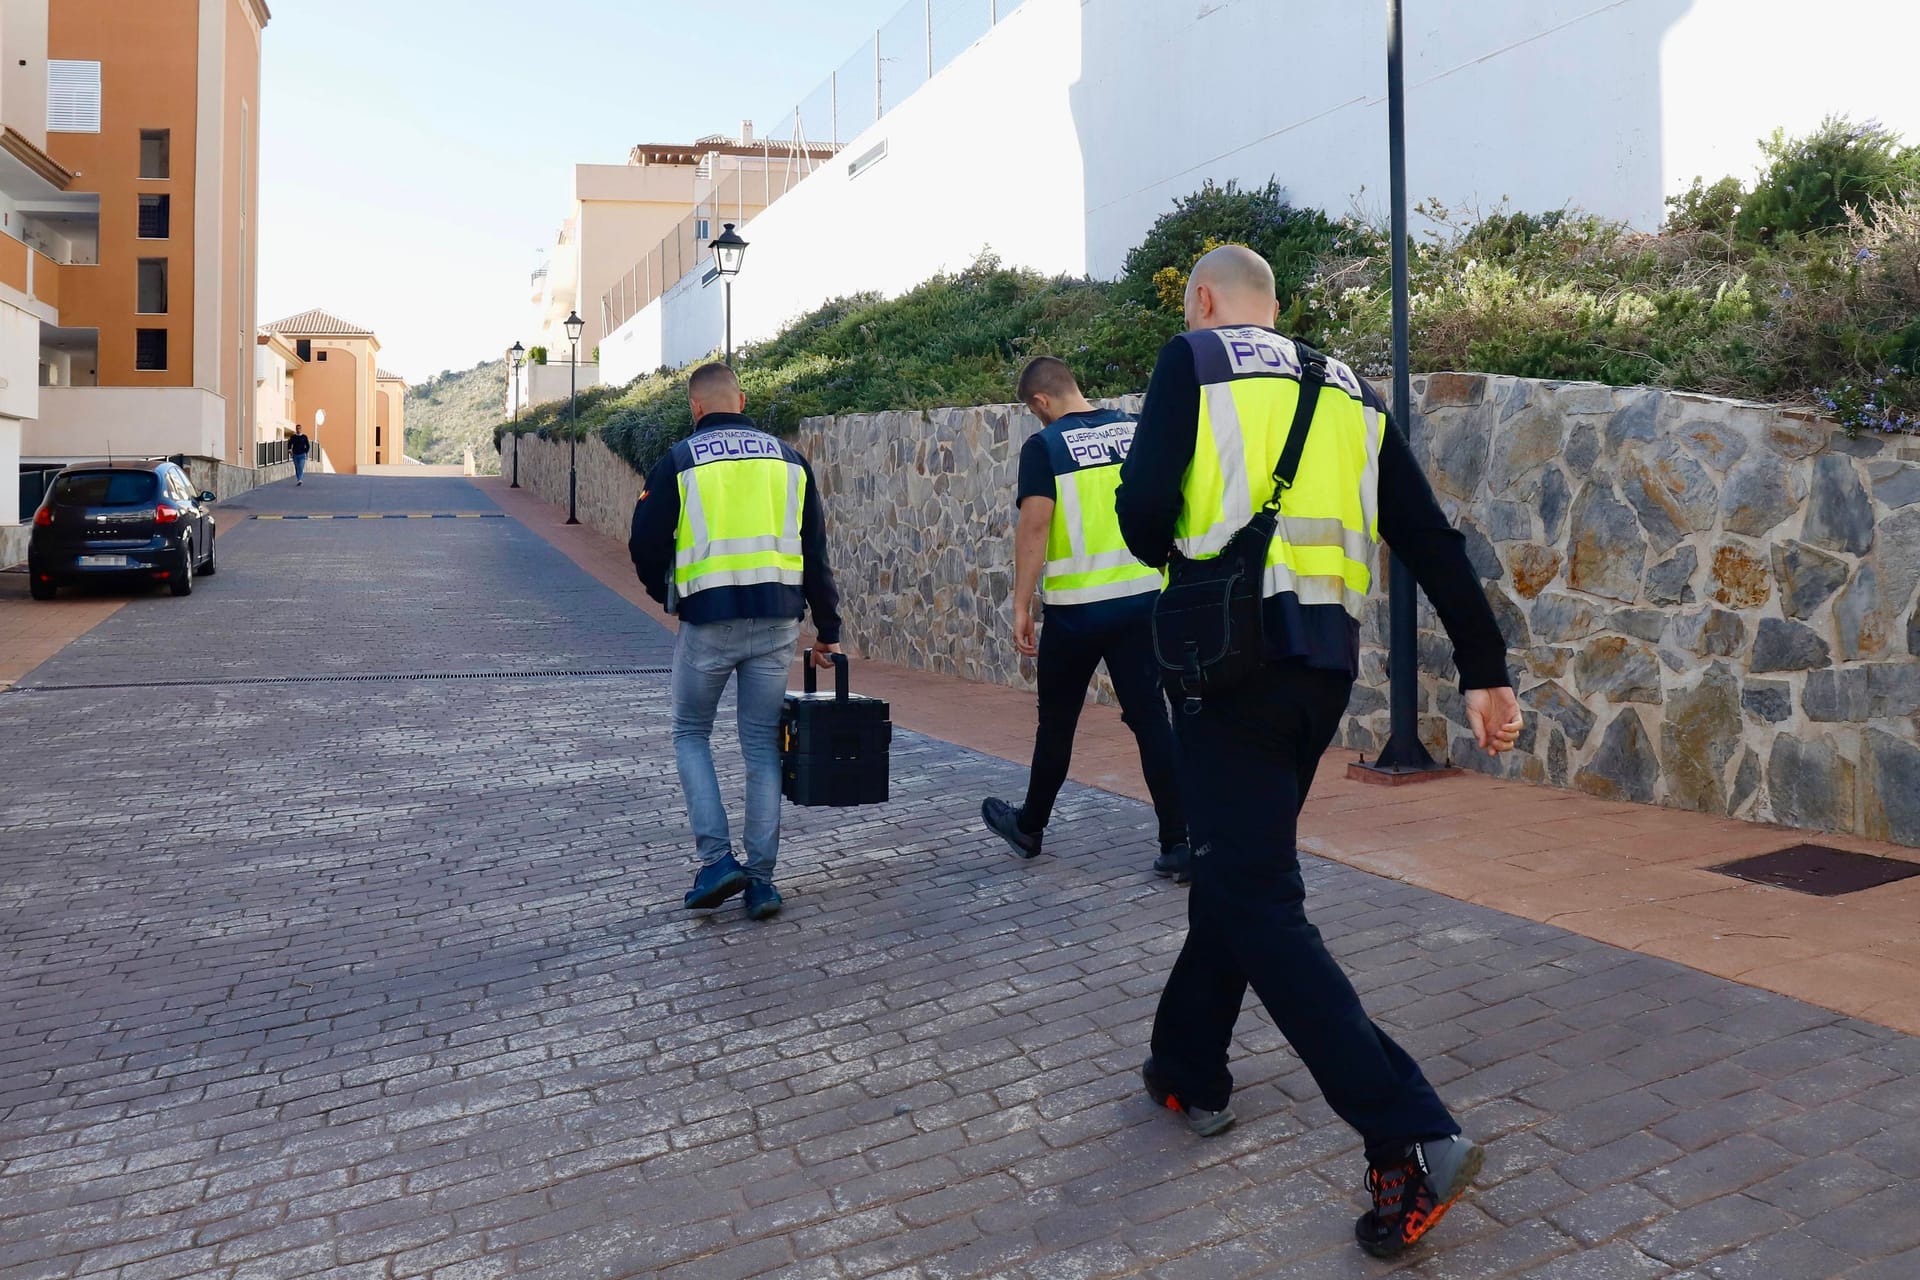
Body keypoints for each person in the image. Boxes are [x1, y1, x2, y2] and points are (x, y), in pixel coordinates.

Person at [1115, 245, 1524, 1259]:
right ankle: (1186, 1061)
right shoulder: (1350, 386)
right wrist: (1485, 667)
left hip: (1227, 663)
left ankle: (1410, 1129)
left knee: (1255, 896)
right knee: (1237, 869)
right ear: (1279, 307)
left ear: (1204, 299)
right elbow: (1427, 536)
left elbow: (1137, 520)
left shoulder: (1193, 360)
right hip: (1320, 668)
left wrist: (1191, 541)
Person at [629, 363, 844, 921]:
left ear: (694, 407)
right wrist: (829, 630)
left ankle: (715, 860)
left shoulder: (680, 460)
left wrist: (670, 595)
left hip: (708, 620)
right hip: (777, 622)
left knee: (690, 733)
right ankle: (762, 881)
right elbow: (814, 551)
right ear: (742, 399)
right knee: (760, 747)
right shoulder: (791, 460)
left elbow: (644, 542)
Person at [980, 357, 1190, 881]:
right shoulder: (1134, 429)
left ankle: (1030, 827)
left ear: (1040, 402)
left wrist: (1021, 604)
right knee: (1151, 721)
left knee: (1057, 722)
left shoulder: (1045, 446)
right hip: (1143, 600)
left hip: (1076, 612)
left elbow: (1035, 526)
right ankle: (1178, 842)